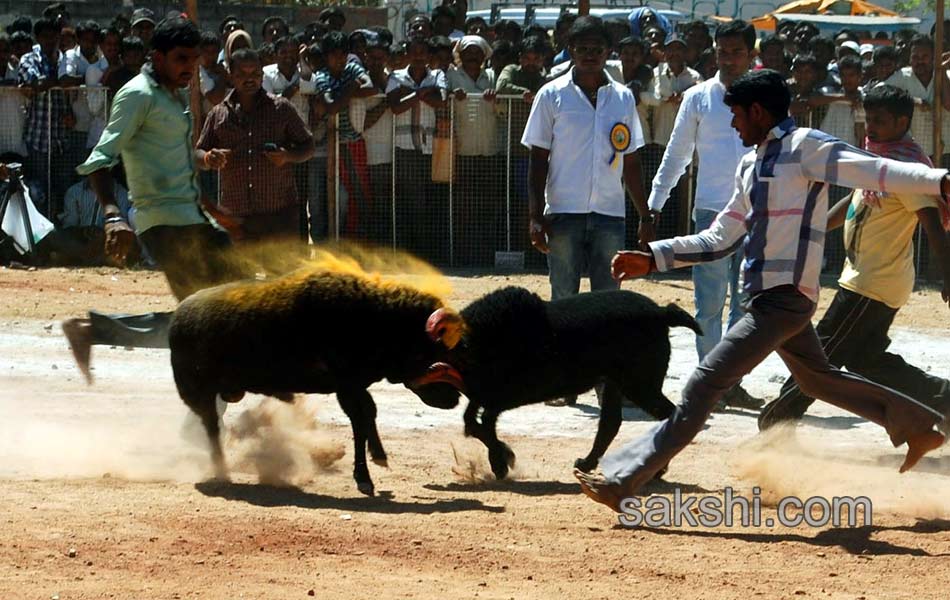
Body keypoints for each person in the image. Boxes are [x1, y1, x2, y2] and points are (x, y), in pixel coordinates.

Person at [576, 70, 950, 511]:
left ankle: (623, 479)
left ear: (757, 111)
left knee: (701, 386)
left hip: (782, 300)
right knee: (820, 380)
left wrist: (939, 180)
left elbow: (876, 170)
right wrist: (655, 257)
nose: (733, 125)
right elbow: (720, 237)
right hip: (773, 299)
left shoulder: (805, 147)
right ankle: (918, 425)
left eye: (735, 115)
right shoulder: (751, 164)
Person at [61, 17, 249, 383]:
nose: (190, 67)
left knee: (241, 307)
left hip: (195, 220)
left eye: (194, 59)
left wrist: (213, 203)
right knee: (204, 321)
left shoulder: (174, 95)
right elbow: (100, 159)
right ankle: (93, 331)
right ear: (157, 56)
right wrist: (114, 215)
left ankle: (93, 330)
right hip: (163, 224)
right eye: (182, 59)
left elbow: (178, 159)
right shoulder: (136, 95)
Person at [759, 85, 950, 429]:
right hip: (868, 278)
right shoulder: (877, 158)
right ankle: (944, 401)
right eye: (867, 119)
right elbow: (853, 202)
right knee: (866, 360)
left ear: (902, 122)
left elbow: (933, 227)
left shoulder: (908, 169)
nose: (870, 127)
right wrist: (810, 227)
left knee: (820, 356)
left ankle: (777, 423)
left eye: (878, 121)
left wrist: (947, 275)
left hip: (872, 283)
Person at [522, 16, 647, 407]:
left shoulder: (623, 98)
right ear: (571, 49)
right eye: (583, 48)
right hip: (563, 212)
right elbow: (537, 159)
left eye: (598, 48)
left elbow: (631, 161)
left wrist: (644, 212)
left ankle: (610, 383)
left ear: (607, 51)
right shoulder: (551, 95)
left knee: (609, 303)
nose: (591, 54)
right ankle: (562, 384)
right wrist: (534, 214)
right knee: (564, 302)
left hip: (611, 213)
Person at [642, 21, 762, 410]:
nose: (729, 59)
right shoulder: (698, 98)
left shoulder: (768, 96)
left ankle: (733, 382)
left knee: (748, 303)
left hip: (758, 212)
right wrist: (654, 204)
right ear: (714, 52)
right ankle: (712, 382)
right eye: (723, 52)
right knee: (708, 304)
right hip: (711, 212)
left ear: (750, 54)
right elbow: (676, 154)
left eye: (737, 52)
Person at [196, 48, 315, 243]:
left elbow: (308, 145)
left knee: (283, 273)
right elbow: (197, 154)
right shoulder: (218, 114)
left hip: (278, 214)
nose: (249, 79)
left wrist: (287, 156)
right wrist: (209, 157)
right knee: (240, 273)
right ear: (231, 76)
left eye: (255, 74)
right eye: (242, 74)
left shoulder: (281, 108)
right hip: (236, 216)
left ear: (262, 75)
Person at [385, 35, 448, 262]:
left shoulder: (438, 75)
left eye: (423, 52)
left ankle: (429, 254)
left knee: (431, 202)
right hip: (405, 147)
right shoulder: (396, 76)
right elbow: (394, 106)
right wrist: (422, 94)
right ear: (407, 54)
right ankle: (412, 254)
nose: (419, 56)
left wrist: (411, 95)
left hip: (432, 147)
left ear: (429, 56)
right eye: (415, 51)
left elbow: (442, 100)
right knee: (412, 203)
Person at [448, 34, 499, 266]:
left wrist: (495, 100)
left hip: (488, 151)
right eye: (467, 52)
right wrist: (453, 97)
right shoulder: (452, 75)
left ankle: (485, 254)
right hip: (463, 151)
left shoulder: (491, 76)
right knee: (464, 206)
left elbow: (501, 108)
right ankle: (462, 255)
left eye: (476, 52)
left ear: (483, 56)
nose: (472, 56)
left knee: (487, 205)